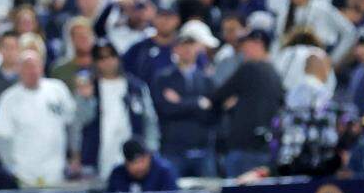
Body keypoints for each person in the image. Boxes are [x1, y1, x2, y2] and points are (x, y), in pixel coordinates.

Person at [0, 48, 77, 187]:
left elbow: (72, 124)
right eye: (27, 67)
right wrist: (12, 169)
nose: (32, 71)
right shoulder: (9, 98)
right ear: (18, 70)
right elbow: (1, 138)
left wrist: (74, 157)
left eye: (35, 66)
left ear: (42, 67)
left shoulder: (58, 90)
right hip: (24, 174)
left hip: (56, 171)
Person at [74, 40, 159, 180]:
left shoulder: (136, 87)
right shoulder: (88, 88)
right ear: (95, 62)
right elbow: (79, 123)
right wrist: (87, 100)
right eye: (101, 58)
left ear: (118, 57)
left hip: (133, 158)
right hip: (97, 156)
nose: (107, 61)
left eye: (111, 56)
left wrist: (150, 151)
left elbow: (150, 121)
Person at [213, 29, 283, 177]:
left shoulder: (249, 68)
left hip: (243, 148)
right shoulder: (276, 74)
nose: (243, 49)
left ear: (258, 44)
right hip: (266, 147)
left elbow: (218, 95)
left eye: (246, 44)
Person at [150, 23, 217, 177]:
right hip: (174, 149)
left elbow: (212, 113)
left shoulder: (207, 79)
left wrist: (180, 103)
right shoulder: (163, 78)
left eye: (191, 45)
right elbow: (165, 109)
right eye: (183, 45)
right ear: (175, 49)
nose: (187, 50)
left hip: (202, 148)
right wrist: (198, 103)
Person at [106, 137, 179, 193]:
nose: (139, 167)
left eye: (142, 161)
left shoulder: (164, 171)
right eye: (134, 163)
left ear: (149, 157)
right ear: (126, 163)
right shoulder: (117, 174)